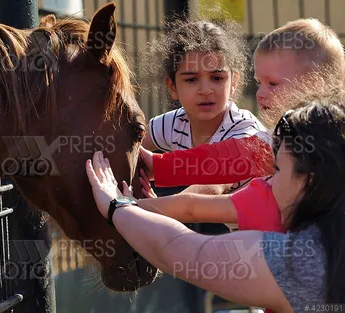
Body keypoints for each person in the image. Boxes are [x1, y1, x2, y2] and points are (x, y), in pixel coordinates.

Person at [86, 98, 345, 313]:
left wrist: (116, 206)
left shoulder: (305, 260)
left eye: (276, 170)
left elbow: (188, 253)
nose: (268, 181)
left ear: (308, 182)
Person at [137, 18, 345, 233]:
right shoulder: (278, 136)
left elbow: (225, 164)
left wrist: (138, 203)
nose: (260, 94)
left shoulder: (296, 140)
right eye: (259, 83)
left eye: (272, 83)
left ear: (314, 84)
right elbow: (224, 160)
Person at [140, 17, 265, 154]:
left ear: (233, 82)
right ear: (172, 87)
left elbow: (210, 167)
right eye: (191, 80)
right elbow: (127, 148)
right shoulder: (172, 124)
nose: (205, 91)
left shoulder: (245, 131)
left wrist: (155, 165)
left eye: (217, 78)